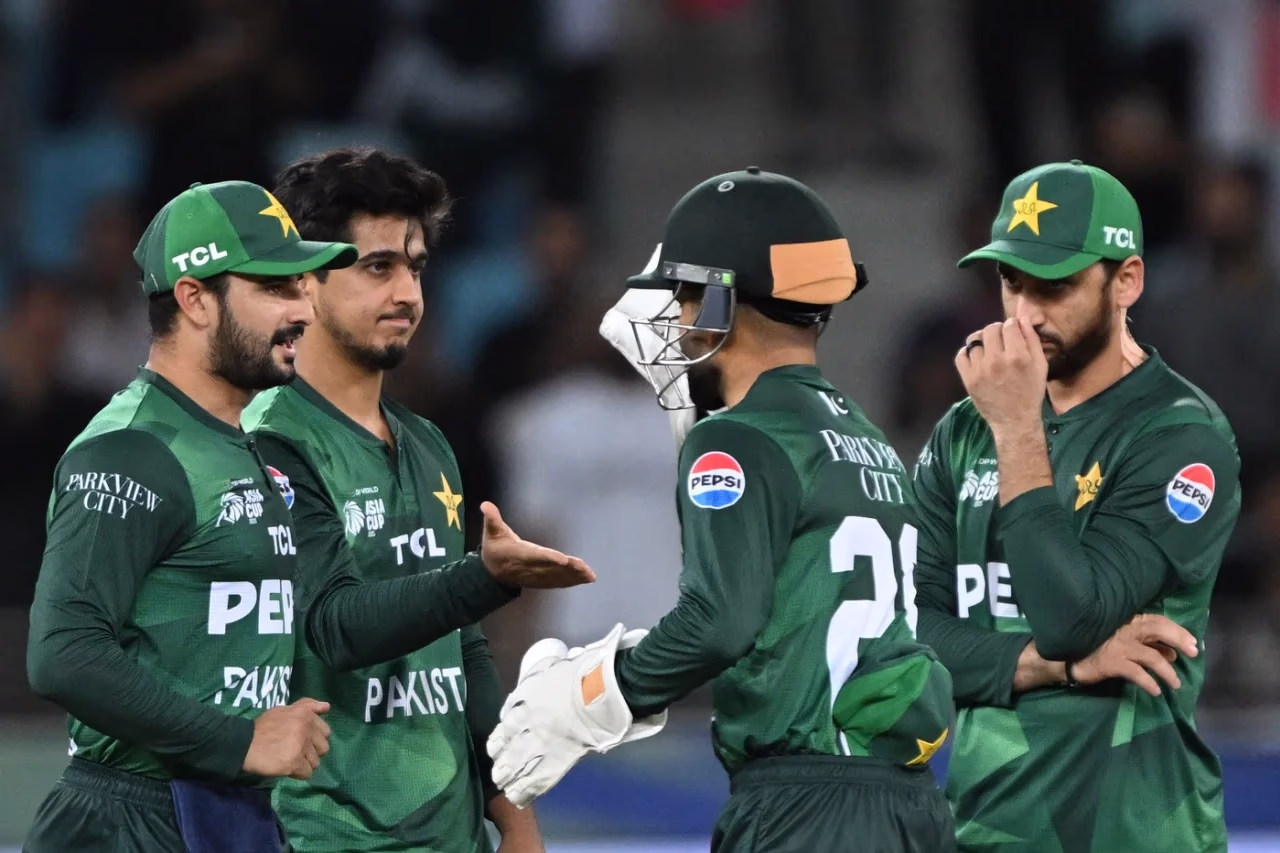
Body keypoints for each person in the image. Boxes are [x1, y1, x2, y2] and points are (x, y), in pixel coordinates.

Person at [486, 168, 958, 852]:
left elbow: (718, 622)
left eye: (684, 292)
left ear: (719, 298)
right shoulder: (866, 436)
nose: (674, 315)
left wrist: (588, 696)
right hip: (906, 803)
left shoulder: (737, 436)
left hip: (807, 806)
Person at [243, 146, 589, 853]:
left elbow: (464, 649)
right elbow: (334, 626)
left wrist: (515, 816)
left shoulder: (428, 442)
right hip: (325, 836)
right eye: (378, 267)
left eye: (416, 267)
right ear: (304, 279)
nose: (408, 293)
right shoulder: (267, 441)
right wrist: (481, 578)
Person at [913, 159, 1241, 852]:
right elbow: (902, 638)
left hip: (1138, 834)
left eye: (1055, 286)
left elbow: (1070, 617)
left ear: (1127, 280)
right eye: (1012, 282)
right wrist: (1053, 666)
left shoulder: (1179, 435)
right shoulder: (962, 431)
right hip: (985, 830)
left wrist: (1016, 428)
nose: (1025, 314)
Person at [24, 180, 360, 852]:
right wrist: (240, 741)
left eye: (302, 286)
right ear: (195, 298)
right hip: (127, 822)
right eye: (276, 287)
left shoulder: (238, 440)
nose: (304, 309)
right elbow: (63, 652)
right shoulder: (133, 449)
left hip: (226, 810)